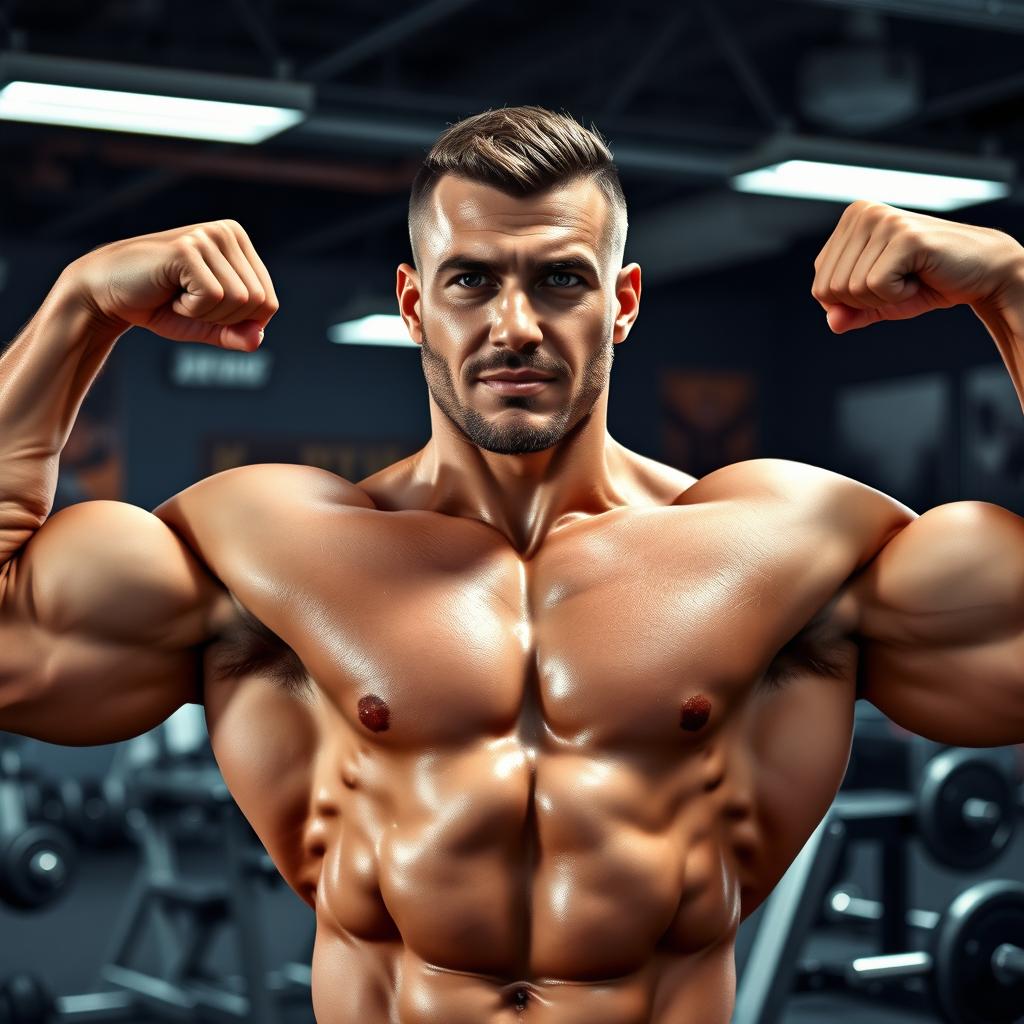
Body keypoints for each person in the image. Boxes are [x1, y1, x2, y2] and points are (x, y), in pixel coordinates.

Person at [1, 106, 1023, 1024]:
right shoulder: (267, 549)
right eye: (472, 279)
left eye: (560, 279)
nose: (516, 325)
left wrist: (1013, 287)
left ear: (620, 301)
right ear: (413, 303)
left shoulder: (786, 546)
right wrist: (77, 307)